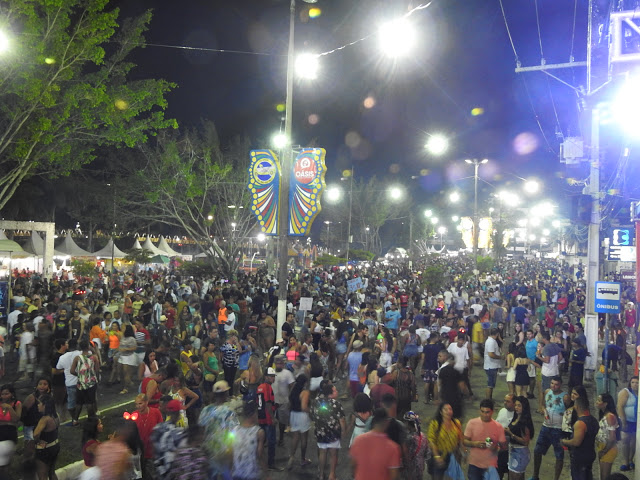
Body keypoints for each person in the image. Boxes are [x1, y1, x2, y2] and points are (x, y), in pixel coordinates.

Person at [198, 380, 239, 480]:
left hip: (208, 451)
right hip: (224, 452)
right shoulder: (229, 412)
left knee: (212, 476)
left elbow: (200, 430)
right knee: (227, 476)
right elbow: (234, 433)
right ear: (225, 394)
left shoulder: (205, 410)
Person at [349, 407, 402, 480]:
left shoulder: (358, 440)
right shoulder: (393, 448)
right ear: (387, 422)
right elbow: (393, 476)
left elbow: (353, 465)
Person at [531, 376, 566, 480]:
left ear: (560, 385)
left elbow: (569, 412)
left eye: (556, 384)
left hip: (558, 429)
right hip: (546, 426)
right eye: (552, 383)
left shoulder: (565, 397)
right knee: (537, 451)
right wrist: (543, 409)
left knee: (559, 455)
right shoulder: (547, 392)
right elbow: (543, 405)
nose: (553, 386)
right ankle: (535, 476)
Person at [463, 399, 507, 480]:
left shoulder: (498, 427)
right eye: (482, 411)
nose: (484, 414)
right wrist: (475, 444)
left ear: (492, 412)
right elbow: (464, 441)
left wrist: (495, 447)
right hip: (474, 464)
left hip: (491, 465)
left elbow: (504, 447)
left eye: (487, 412)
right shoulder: (472, 423)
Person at [311, 379, 346, 480]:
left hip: (320, 432)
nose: (337, 391)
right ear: (330, 394)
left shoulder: (316, 402)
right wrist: (343, 431)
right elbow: (342, 420)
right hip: (333, 434)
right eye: (335, 391)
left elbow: (312, 415)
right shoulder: (336, 404)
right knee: (333, 454)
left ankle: (321, 475)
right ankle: (332, 475)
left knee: (322, 452)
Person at [561, 395, 599, 480]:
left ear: (577, 406)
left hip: (580, 457)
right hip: (590, 453)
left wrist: (564, 441)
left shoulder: (580, 423)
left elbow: (576, 442)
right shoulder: (593, 420)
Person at [150, 399, 186, 479]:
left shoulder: (157, 428)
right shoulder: (179, 433)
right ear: (179, 414)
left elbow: (153, 450)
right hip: (173, 474)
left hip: (160, 471)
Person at [427, 403, 464, 480]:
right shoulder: (435, 423)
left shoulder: (456, 423)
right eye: (445, 409)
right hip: (439, 454)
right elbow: (431, 440)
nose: (448, 411)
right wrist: (437, 456)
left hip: (453, 455)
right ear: (441, 412)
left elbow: (460, 439)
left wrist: (463, 451)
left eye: (450, 409)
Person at [231, 401, 266, 480]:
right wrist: (266, 473)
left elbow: (231, 452)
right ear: (253, 414)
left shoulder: (234, 430)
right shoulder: (259, 432)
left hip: (237, 473)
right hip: (251, 474)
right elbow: (260, 455)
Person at [132, 394, 163, 479]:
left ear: (146, 402)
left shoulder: (156, 412)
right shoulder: (134, 415)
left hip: (153, 450)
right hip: (140, 452)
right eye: (136, 404)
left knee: (153, 474)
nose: (138, 406)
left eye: (140, 403)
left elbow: (161, 428)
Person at [256, 367, 280, 471]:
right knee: (271, 442)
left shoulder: (260, 387)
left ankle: (259, 462)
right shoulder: (267, 387)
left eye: (274, 376)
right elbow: (267, 403)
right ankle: (271, 463)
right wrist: (273, 418)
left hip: (260, 417)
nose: (273, 379)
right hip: (268, 418)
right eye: (271, 377)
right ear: (266, 377)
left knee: (261, 441)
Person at [505, 396, 534, 480]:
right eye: (516, 405)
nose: (516, 407)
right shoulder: (515, 418)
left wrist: (511, 434)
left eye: (519, 406)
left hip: (520, 454)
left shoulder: (524, 422)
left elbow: (525, 442)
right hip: (513, 452)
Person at [288, 373, 312, 470]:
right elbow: (304, 407)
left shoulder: (293, 390)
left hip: (293, 415)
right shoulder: (305, 392)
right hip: (302, 416)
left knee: (295, 437)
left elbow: (290, 403)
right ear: (305, 383)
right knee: (303, 438)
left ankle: (292, 456)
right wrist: (312, 412)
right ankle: (302, 459)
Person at [33, 393, 60, 480]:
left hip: (45, 449)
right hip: (55, 445)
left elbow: (35, 434)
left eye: (39, 403)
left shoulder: (44, 419)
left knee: (42, 474)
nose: (38, 405)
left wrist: (38, 441)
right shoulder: (56, 415)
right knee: (51, 472)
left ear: (45, 405)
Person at [70, 340, 99, 418]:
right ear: (88, 347)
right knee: (90, 402)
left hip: (81, 383)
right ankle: (90, 418)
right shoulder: (94, 357)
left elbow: (72, 371)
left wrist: (80, 375)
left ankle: (75, 420)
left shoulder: (77, 358)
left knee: (79, 402)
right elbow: (97, 370)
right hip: (91, 382)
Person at [56, 338, 81, 425]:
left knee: (71, 403)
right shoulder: (81, 354)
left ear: (68, 346)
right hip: (81, 381)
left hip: (70, 383)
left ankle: (74, 419)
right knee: (83, 402)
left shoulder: (62, 357)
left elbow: (58, 368)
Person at [595, 393, 620, 480]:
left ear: (605, 403)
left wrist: (604, 450)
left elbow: (612, 437)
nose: (597, 402)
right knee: (602, 475)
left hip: (608, 448)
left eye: (599, 400)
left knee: (605, 477)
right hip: (602, 446)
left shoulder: (610, 416)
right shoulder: (604, 415)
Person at [273, 355, 295, 446]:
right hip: (273, 402)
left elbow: (292, 386)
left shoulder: (287, 373)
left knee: (282, 422)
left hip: (283, 402)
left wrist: (290, 399)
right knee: (273, 420)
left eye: (280, 363)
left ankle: (281, 438)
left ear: (283, 364)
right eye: (277, 363)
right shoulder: (272, 373)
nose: (279, 365)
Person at [617, 376, 638, 471]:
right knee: (625, 441)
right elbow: (620, 406)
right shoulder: (626, 392)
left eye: (637, 382)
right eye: (633, 382)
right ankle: (625, 461)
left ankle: (631, 460)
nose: (635, 384)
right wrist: (623, 421)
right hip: (627, 420)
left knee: (634, 442)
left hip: (636, 422)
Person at [437, 350, 464, 419]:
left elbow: (438, 384)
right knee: (456, 417)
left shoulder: (442, 370)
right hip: (455, 398)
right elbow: (462, 386)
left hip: (445, 396)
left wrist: (437, 396)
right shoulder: (456, 372)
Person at [0, 384, 20, 477]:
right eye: (2, 394)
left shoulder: (17, 404)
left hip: (10, 434)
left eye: (6, 394)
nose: (4, 396)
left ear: (12, 394)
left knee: (5, 463)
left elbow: (16, 419)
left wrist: (9, 408)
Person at [403, 411, 428, 480]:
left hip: (410, 470)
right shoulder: (423, 436)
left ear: (408, 424)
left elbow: (404, 455)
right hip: (420, 468)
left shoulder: (408, 438)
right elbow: (427, 454)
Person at [496, 394, 516, 480]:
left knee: (510, 471)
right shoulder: (502, 411)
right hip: (500, 447)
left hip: (511, 448)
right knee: (499, 469)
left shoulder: (517, 415)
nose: (505, 403)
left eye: (508, 401)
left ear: (514, 403)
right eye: (504, 400)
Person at [484, 328, 503, 400]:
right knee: (490, 385)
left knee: (491, 384)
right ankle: (488, 400)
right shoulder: (491, 342)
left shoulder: (491, 341)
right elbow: (491, 354)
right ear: (497, 334)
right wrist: (500, 357)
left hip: (492, 365)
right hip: (491, 366)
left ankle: (490, 399)